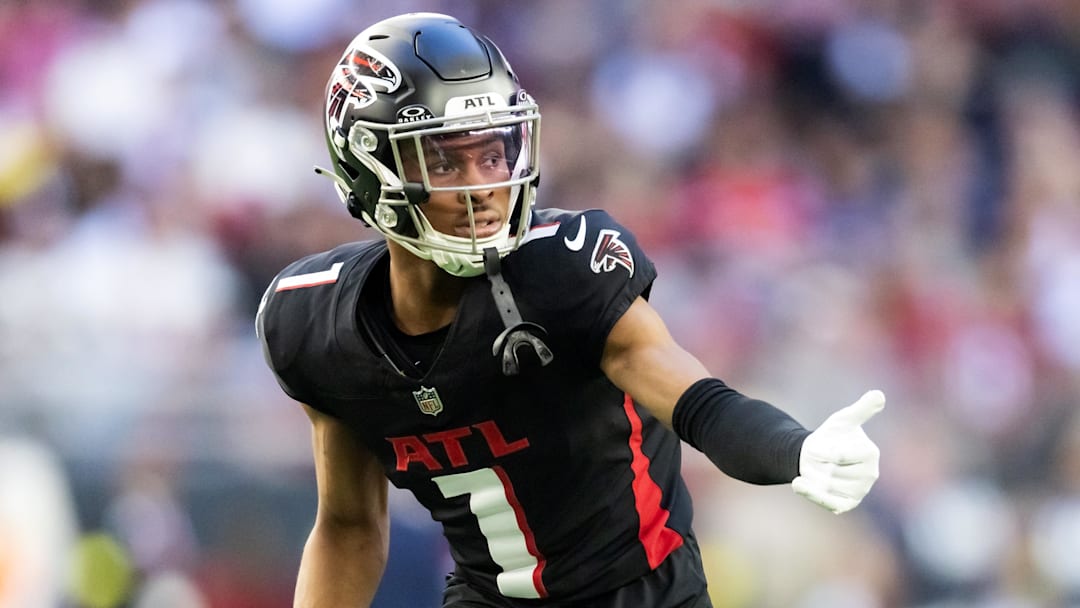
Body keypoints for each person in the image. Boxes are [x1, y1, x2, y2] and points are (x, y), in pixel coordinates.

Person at [256, 12, 884, 608]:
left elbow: (698, 401)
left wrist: (795, 450)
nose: (483, 186)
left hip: (641, 594)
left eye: (494, 153)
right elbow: (348, 527)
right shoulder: (317, 328)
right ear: (369, 168)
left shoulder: (560, 270)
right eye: (444, 158)